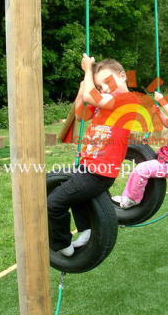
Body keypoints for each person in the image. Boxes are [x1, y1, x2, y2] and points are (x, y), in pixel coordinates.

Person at [47, 54, 140, 256]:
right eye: (99, 87)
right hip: (88, 167)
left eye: (107, 82)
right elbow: (80, 114)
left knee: (53, 204)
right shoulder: (103, 103)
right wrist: (83, 85)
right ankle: (87, 229)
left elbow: (92, 97)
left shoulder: (127, 99)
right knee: (78, 198)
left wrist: (88, 70)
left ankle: (61, 244)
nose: (104, 88)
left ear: (123, 76)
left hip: (99, 172)